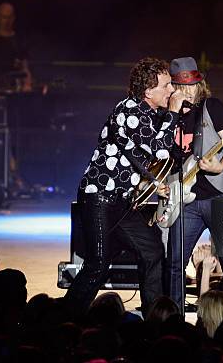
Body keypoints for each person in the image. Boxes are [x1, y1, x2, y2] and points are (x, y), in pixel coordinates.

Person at [64, 57, 188, 316]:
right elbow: (158, 150)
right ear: (148, 91)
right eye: (166, 86)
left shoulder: (149, 113)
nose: (172, 90)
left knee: (152, 250)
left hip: (122, 201)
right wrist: (174, 112)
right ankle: (66, 318)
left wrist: (153, 183)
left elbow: (134, 157)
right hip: (99, 197)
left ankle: (155, 317)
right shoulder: (129, 110)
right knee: (98, 264)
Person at [165, 56, 223, 314]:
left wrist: (220, 166)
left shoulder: (212, 107)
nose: (187, 91)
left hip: (221, 195)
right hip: (185, 199)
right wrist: (170, 115)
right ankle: (174, 319)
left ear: (200, 84)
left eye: (191, 85)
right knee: (175, 262)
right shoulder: (168, 118)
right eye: (180, 86)